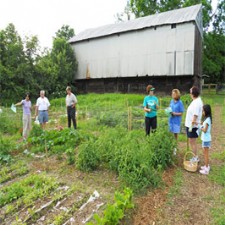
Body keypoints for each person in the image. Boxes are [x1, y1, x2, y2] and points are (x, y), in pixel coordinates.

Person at [185, 86, 203, 162]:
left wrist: (191, 126)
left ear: (193, 93)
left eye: (190, 92)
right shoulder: (196, 100)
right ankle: (195, 156)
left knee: (192, 141)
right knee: (192, 141)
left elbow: (195, 115)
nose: (189, 93)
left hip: (192, 126)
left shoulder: (197, 102)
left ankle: (195, 157)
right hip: (191, 125)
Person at [199, 104, 212, 175]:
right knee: (204, 153)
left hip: (206, 139)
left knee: (206, 154)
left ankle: (206, 169)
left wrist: (200, 127)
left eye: (203, 111)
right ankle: (206, 165)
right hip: (205, 139)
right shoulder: (207, 119)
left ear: (206, 111)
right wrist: (202, 123)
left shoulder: (207, 120)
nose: (202, 112)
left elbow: (205, 130)